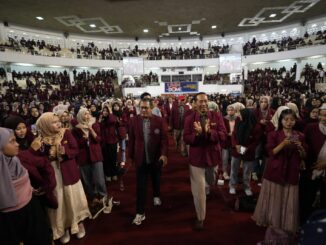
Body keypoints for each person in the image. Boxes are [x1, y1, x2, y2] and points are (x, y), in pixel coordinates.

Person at [30, 112, 91, 244]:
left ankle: (78, 224)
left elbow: (75, 149)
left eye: (58, 121)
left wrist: (65, 152)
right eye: (54, 122)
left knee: (73, 199)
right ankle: (63, 228)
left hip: (69, 174)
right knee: (60, 202)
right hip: (53, 176)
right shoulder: (38, 141)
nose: (58, 124)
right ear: (45, 125)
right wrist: (47, 157)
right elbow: (34, 161)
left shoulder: (66, 133)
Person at [253, 109, 307, 242]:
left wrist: (301, 148)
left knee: (288, 199)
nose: (289, 122)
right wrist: (283, 144)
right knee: (275, 199)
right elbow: (271, 152)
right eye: (286, 119)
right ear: (281, 120)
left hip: (291, 172)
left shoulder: (299, 135)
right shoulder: (273, 134)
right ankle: (274, 226)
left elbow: (304, 156)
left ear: (295, 121)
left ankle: (285, 227)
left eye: (292, 120)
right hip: (275, 172)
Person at [0, 127, 52, 245]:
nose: (17, 144)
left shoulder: (15, 161)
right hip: (8, 219)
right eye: (12, 141)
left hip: (31, 208)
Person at [183, 92, 227, 230]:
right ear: (195, 103)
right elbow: (186, 137)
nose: (203, 104)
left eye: (205, 101)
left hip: (212, 158)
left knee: (210, 181)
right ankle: (200, 217)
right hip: (196, 159)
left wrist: (209, 133)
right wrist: (197, 135)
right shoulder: (189, 118)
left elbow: (223, 135)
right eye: (200, 101)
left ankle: (207, 188)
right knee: (199, 190)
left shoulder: (216, 116)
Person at [128, 98, 168, 226]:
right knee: (141, 186)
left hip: (156, 159)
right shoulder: (134, 120)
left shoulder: (159, 120)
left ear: (152, 108)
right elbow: (132, 141)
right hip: (141, 159)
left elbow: (164, 140)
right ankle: (140, 212)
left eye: (146, 107)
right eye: (141, 108)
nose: (143, 110)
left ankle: (156, 195)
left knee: (156, 178)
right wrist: (131, 157)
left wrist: (163, 154)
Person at [73, 108, 112, 218]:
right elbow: (76, 144)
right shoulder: (76, 129)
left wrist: (90, 130)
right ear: (80, 116)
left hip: (95, 155)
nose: (87, 115)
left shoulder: (94, 124)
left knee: (99, 179)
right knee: (87, 181)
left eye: (88, 113)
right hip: (83, 157)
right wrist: (83, 139)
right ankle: (93, 199)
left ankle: (104, 197)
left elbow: (99, 140)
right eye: (84, 114)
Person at [229, 108, 263, 196]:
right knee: (234, 170)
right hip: (236, 150)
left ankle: (247, 187)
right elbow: (234, 134)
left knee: (247, 172)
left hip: (249, 151)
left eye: (240, 114)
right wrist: (236, 145)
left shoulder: (256, 126)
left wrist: (247, 148)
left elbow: (256, 141)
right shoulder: (238, 120)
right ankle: (232, 186)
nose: (238, 116)